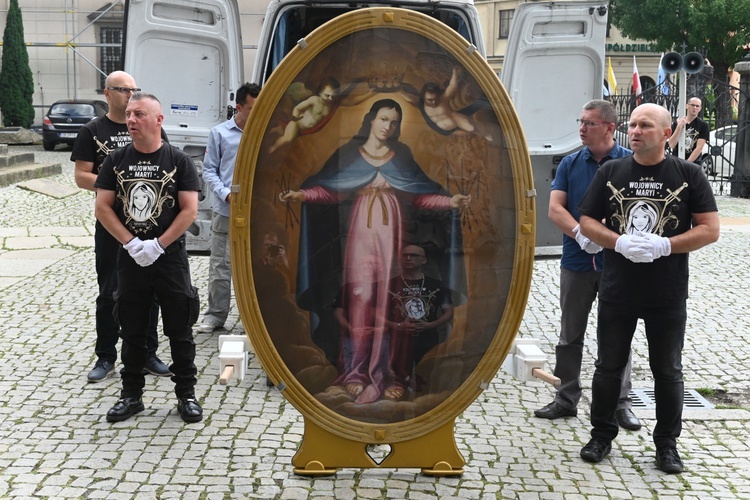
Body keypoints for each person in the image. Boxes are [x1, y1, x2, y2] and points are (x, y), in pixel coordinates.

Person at [280, 99, 469, 404]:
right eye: (383, 119)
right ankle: (355, 372)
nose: (388, 127)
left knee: (391, 298)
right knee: (360, 299)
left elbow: (421, 196)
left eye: (394, 122)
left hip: (390, 233)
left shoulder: (402, 156)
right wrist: (302, 194)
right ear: (370, 119)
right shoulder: (350, 154)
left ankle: (392, 373)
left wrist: (450, 202)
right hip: (360, 234)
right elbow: (331, 189)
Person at [577, 103, 719, 473]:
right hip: (618, 289)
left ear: (666, 133)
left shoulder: (688, 174)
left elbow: (710, 228)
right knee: (608, 367)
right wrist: (617, 241)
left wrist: (667, 245)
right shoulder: (612, 171)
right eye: (633, 124)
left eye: (645, 125)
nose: (635, 131)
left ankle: (667, 444)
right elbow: (587, 220)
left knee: (668, 371)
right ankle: (602, 434)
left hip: (666, 291)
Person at [94, 92, 203, 423]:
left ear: (158, 120)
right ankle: (131, 396)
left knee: (179, 326)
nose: (131, 120)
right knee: (132, 327)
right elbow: (102, 207)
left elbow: (189, 210)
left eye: (139, 114)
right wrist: (130, 243)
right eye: (129, 114)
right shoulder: (115, 160)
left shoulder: (178, 160)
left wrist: (158, 244)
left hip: (169, 258)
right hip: (130, 258)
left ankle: (186, 394)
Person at [534, 99, 641, 431]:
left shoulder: (631, 162)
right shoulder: (569, 163)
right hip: (577, 261)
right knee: (570, 335)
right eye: (580, 121)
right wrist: (580, 233)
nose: (581, 128)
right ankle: (566, 398)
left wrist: (608, 236)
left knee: (618, 334)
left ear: (609, 127)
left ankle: (619, 402)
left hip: (619, 264)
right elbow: (555, 209)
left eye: (589, 123)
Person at [71, 70, 170, 382]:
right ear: (107, 93)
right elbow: (81, 175)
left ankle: (147, 352)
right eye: (123, 90)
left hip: (148, 224)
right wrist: (117, 185)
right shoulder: (93, 130)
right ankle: (105, 356)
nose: (130, 94)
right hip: (112, 224)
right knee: (110, 290)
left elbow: (165, 164)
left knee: (150, 289)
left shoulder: (148, 124)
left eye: (134, 89)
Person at [196, 83, 261, 334]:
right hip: (226, 210)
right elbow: (209, 169)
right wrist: (225, 195)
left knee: (255, 265)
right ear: (239, 107)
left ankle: (254, 319)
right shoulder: (219, 133)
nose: (256, 113)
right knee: (221, 266)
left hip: (257, 212)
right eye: (252, 108)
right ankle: (215, 315)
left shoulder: (265, 132)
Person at [385, 244, 453, 400]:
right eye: (405, 255)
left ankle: (423, 412)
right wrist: (397, 325)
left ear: (424, 260)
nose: (409, 258)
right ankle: (397, 413)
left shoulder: (437, 285)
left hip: (427, 338)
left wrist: (430, 325)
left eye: (414, 255)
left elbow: (448, 311)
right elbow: (375, 312)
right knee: (397, 378)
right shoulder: (389, 284)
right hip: (399, 340)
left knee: (426, 375)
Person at [269, 78, 339, 154]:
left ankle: (279, 129)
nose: (330, 98)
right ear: (320, 92)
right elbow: (298, 108)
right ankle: (273, 148)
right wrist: (294, 118)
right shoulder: (314, 100)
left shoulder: (330, 107)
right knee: (288, 138)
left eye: (333, 96)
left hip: (305, 131)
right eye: (327, 95)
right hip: (297, 124)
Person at [667, 97, 709, 164]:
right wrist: (679, 127)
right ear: (687, 106)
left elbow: (699, 148)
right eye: (692, 105)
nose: (694, 107)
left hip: (693, 163)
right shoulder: (678, 122)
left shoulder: (703, 125)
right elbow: (671, 144)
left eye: (697, 106)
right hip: (676, 160)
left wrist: (687, 163)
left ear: (700, 109)